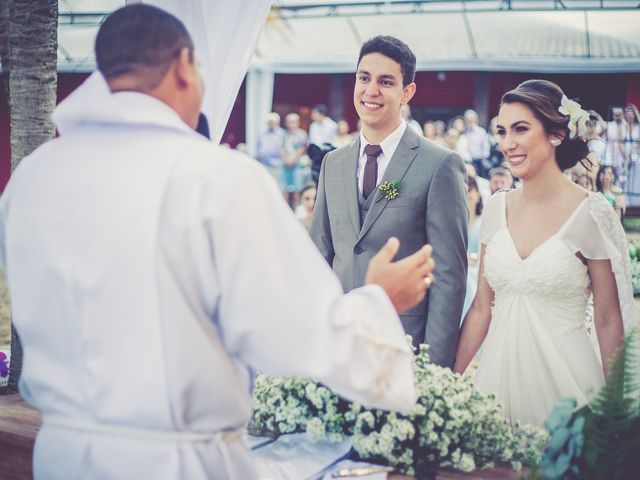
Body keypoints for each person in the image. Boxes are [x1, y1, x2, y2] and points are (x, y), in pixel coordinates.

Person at [0, 6, 437, 479]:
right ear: (186, 66)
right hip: (176, 462)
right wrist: (378, 300)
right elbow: (295, 334)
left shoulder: (31, 180)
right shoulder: (216, 179)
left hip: (61, 454)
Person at [453, 80, 634, 427]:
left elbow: (609, 320)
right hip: (496, 386)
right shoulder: (495, 207)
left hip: (568, 391)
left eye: (520, 129)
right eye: (502, 131)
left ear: (556, 134)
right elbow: (480, 308)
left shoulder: (591, 212)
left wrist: (616, 413)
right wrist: (448, 383)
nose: (508, 143)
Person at [310, 35, 468, 367]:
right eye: (364, 78)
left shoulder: (439, 164)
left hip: (403, 348)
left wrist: (434, 369)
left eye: (385, 82)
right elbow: (319, 257)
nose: (371, 91)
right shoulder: (332, 163)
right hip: (338, 347)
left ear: (407, 92)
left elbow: (449, 276)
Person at [281, 112, 307, 207]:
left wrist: (293, 159)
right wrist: (285, 159)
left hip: (297, 165)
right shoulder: (283, 134)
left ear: (298, 123)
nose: (291, 124)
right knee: (285, 191)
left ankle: (296, 213)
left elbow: (301, 149)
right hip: (285, 165)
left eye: (293, 122)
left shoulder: (302, 134)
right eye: (289, 122)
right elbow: (281, 148)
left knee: (297, 191)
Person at [464, 109, 490, 178]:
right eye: (468, 119)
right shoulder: (464, 132)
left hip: (480, 160)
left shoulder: (481, 132)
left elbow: (486, 147)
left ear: (476, 119)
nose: (470, 121)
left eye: (472, 118)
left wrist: (483, 158)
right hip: (468, 161)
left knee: (481, 178)